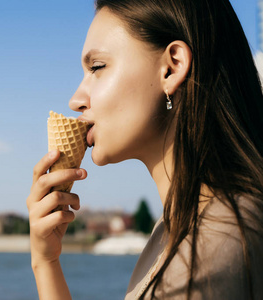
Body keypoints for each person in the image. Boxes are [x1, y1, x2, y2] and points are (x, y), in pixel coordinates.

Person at [26, 0, 263, 299]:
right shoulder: (176, 227)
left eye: (97, 67)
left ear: (172, 67)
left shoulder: (217, 242)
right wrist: (45, 262)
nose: (76, 99)